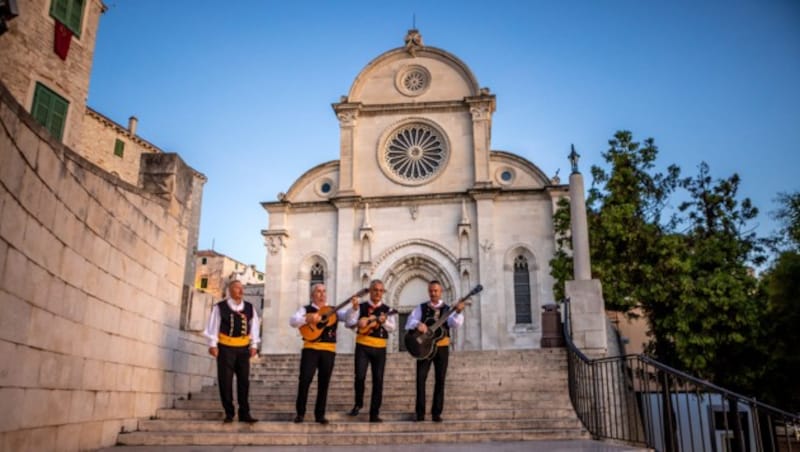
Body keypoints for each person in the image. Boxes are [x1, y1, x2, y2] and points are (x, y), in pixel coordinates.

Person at [289, 283, 359, 424]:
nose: (322, 294)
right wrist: (307, 319)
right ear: (312, 295)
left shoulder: (333, 310)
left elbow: (349, 319)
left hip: (328, 350)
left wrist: (354, 308)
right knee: (305, 380)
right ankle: (300, 413)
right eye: (318, 291)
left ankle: (319, 415)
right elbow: (293, 321)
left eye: (324, 291)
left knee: (324, 383)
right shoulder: (306, 309)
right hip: (311, 349)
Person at [404, 280, 465, 422]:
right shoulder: (421, 308)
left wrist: (458, 312)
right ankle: (420, 413)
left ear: (441, 291)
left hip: (442, 348)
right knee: (420, 379)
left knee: (440, 380)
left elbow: (455, 324)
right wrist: (418, 324)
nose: (433, 293)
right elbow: (409, 322)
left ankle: (436, 413)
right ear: (428, 291)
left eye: (436, 291)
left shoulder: (448, 309)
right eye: (431, 291)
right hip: (424, 348)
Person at [203, 279, 260, 423]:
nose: (241, 291)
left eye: (242, 288)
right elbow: (213, 326)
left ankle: (244, 413)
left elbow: (254, 327)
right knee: (225, 381)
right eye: (237, 288)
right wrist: (212, 344)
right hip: (225, 347)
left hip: (243, 349)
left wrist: (254, 345)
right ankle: (229, 412)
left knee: (244, 381)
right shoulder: (220, 307)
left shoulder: (249, 308)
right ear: (229, 290)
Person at [346, 279, 396, 423]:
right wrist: (356, 316)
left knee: (378, 380)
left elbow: (392, 328)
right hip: (362, 345)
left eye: (380, 290)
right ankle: (358, 403)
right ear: (370, 291)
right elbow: (349, 323)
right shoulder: (360, 306)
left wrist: (383, 321)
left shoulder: (388, 309)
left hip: (380, 347)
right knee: (360, 376)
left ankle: (374, 413)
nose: (377, 293)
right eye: (375, 290)